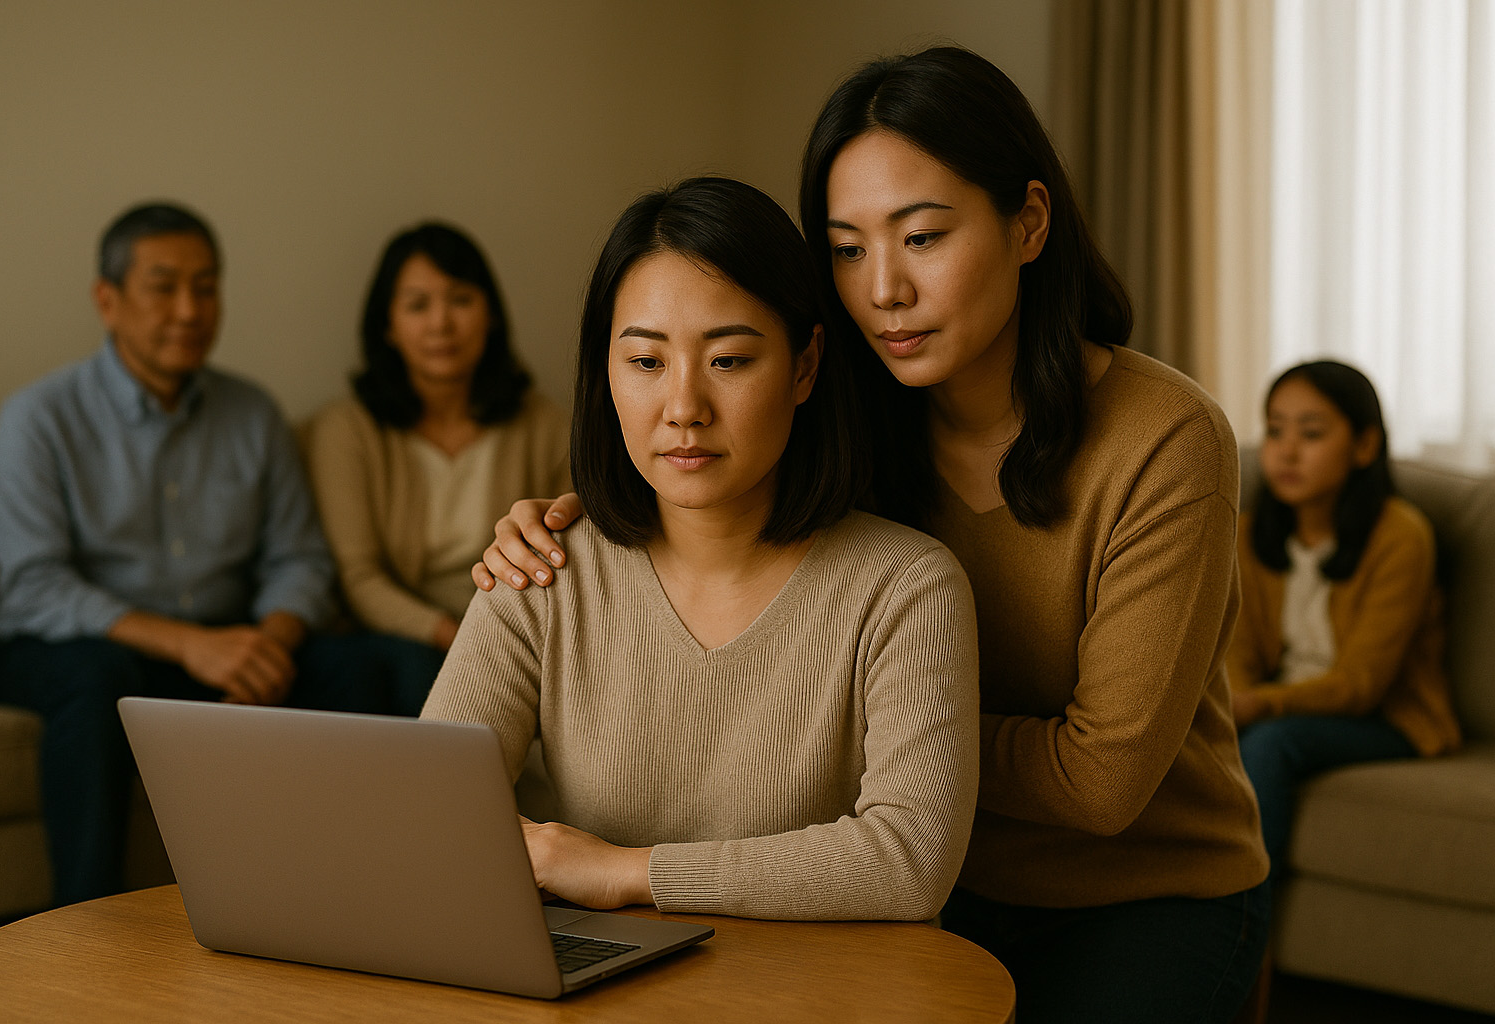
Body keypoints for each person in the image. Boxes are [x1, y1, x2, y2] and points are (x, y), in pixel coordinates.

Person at [473, 48, 1269, 1021]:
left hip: (1134, 890)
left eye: (922, 237)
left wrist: (902, 757)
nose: (882, 287)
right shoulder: (850, 409)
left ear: (1028, 221)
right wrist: (567, 516)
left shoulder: (1164, 440)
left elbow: (1100, 782)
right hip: (917, 885)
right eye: (847, 249)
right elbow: (691, 449)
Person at [421, 176, 980, 921]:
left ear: (805, 366)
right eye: (646, 362)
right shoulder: (541, 569)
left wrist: (627, 872)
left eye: (729, 360)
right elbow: (425, 817)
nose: (684, 408)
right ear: (606, 374)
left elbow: (908, 861)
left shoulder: (906, 586)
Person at [0, 202, 393, 906]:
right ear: (107, 301)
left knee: (371, 665)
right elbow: (35, 583)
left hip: (225, 647)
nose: (189, 309)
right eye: (164, 286)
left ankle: (368, 901)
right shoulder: (39, 417)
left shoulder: (254, 414)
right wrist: (191, 646)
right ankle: (82, 931)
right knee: (95, 680)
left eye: (206, 287)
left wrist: (265, 646)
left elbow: (299, 560)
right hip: (78, 649)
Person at [307, 223, 568, 713]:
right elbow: (360, 578)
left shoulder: (544, 424)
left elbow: (566, 555)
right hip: (409, 640)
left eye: (460, 299)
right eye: (418, 305)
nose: (441, 324)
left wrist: (495, 636)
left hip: (513, 626)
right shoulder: (347, 429)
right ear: (387, 325)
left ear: (489, 314)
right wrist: (451, 634)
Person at [1229, 360, 1461, 875]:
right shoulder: (1245, 534)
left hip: (1385, 718)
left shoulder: (1401, 536)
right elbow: (1236, 652)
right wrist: (1233, 706)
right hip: (1276, 704)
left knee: (1272, 743)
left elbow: (1362, 684)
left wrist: (1259, 707)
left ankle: (1247, 927)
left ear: (1364, 446)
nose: (1287, 451)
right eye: (1274, 430)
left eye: (1311, 433)